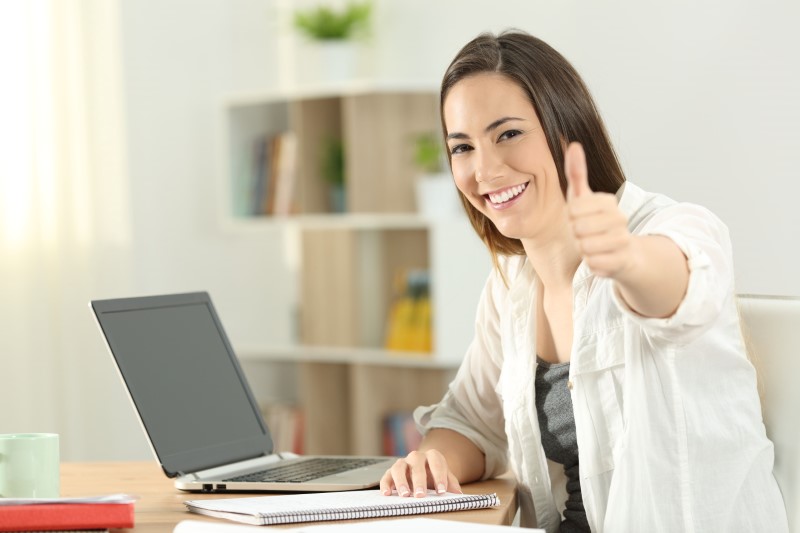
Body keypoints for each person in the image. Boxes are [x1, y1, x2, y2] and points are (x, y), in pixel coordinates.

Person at [379, 30, 788, 532]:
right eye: (462, 147)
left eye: (508, 134)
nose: (484, 169)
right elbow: (470, 419)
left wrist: (626, 260)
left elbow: (681, 291)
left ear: (565, 128)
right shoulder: (511, 287)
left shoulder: (671, 229)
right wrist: (432, 460)